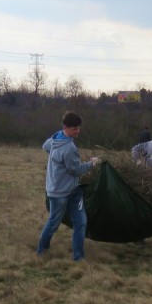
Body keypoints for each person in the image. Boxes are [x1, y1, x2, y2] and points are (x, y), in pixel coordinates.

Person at [37, 111, 100, 261]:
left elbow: (45, 146)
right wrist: (92, 163)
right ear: (66, 127)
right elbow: (76, 170)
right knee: (54, 222)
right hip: (59, 193)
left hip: (73, 190)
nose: (77, 131)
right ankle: (42, 250)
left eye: (78, 128)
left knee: (81, 222)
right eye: (74, 128)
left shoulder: (55, 138)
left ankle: (78, 257)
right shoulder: (69, 148)